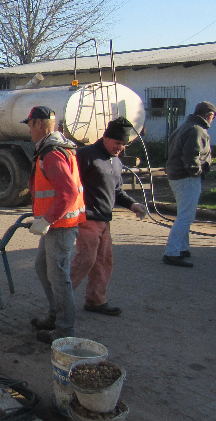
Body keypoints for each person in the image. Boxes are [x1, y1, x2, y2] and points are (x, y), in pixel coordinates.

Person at [70, 117, 147, 316]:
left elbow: (118, 191)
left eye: (123, 144)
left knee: (103, 262)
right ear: (105, 137)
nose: (120, 147)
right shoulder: (86, 155)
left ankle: (96, 300)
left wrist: (133, 205)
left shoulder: (116, 162)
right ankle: (61, 301)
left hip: (104, 220)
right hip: (86, 218)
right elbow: (70, 184)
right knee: (85, 260)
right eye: (117, 143)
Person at [23, 106, 86, 344]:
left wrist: (48, 219)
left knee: (58, 276)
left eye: (30, 124)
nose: (29, 130)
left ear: (39, 124)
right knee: (42, 266)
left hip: (61, 225)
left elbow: (68, 193)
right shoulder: (56, 148)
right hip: (56, 224)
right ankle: (54, 316)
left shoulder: (52, 154)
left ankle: (64, 331)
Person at [162, 101, 214, 267]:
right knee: (186, 216)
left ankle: (182, 248)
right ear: (209, 115)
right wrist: (197, 172)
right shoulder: (196, 129)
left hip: (176, 175)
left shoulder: (186, 125)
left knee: (184, 213)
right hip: (187, 177)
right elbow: (191, 156)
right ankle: (171, 252)